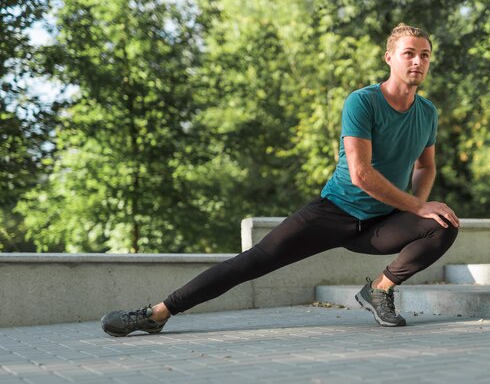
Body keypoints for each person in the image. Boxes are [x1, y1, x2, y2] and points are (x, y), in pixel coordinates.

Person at [101, 23, 460, 336]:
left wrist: (419, 209)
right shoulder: (362, 102)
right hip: (334, 212)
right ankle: (156, 314)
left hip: (382, 222)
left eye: (425, 55)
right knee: (251, 262)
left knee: (443, 223)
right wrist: (417, 205)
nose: (418, 62)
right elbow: (361, 174)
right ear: (389, 58)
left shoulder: (427, 112)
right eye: (409, 53)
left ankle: (379, 290)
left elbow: (425, 166)